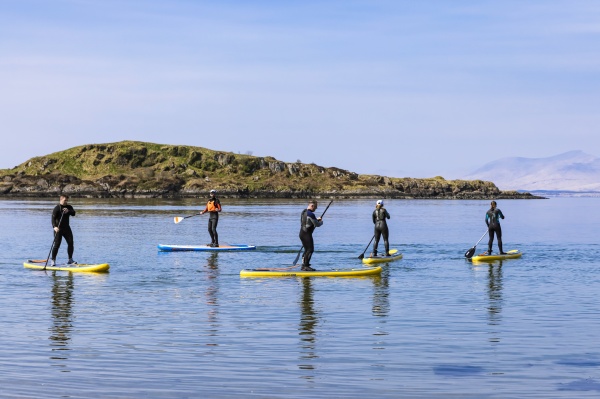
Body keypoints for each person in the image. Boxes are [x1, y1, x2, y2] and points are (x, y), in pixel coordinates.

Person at [51, 194, 77, 266]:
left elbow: (73, 213)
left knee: (71, 243)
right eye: (65, 200)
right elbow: (53, 219)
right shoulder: (57, 208)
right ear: (61, 199)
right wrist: (54, 227)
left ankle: (70, 259)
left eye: (67, 200)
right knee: (57, 244)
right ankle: (53, 260)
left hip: (67, 228)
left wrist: (68, 211)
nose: (66, 201)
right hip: (58, 229)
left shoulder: (69, 207)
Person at [299, 200, 323, 271]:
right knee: (310, 250)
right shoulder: (311, 214)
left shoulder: (303, 212)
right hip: (306, 234)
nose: (315, 209)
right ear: (312, 206)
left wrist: (316, 219)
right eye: (315, 207)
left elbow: (307, 221)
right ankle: (305, 266)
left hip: (302, 233)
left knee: (307, 250)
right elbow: (317, 224)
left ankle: (304, 265)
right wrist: (321, 222)